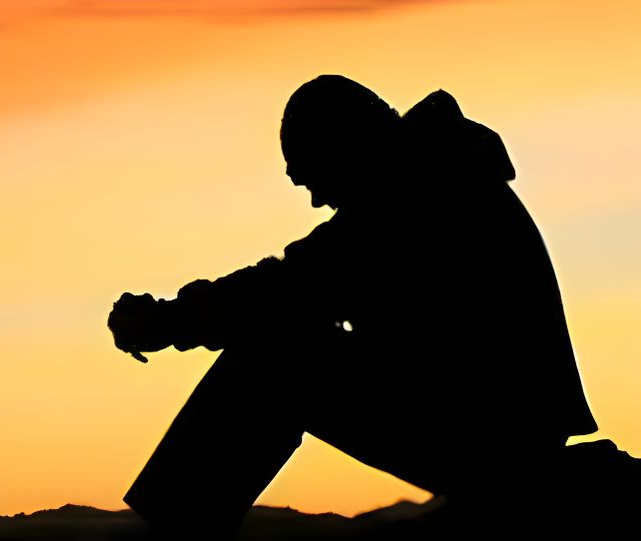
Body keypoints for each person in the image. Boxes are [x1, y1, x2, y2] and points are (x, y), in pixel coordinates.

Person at [108, 75, 597, 538]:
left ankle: (173, 529)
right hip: (491, 418)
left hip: (493, 435)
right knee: (279, 339)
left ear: (342, 146)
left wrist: (167, 321)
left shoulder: (417, 190)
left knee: (274, 355)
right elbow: (304, 284)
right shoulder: (431, 174)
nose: (318, 201)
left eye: (313, 178)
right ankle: (173, 523)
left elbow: (290, 289)